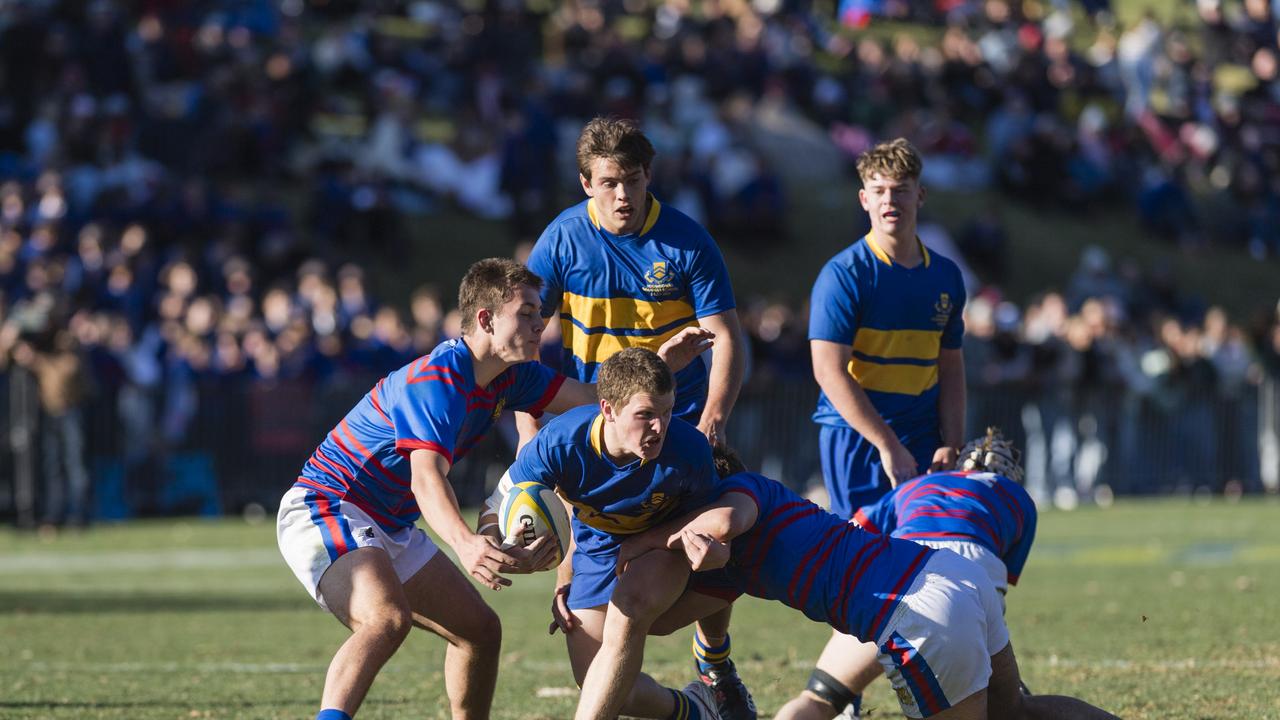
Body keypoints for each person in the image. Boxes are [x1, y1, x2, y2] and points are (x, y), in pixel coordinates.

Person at [275, 259, 710, 720]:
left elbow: (593, 401)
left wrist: (660, 364)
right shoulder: (437, 380)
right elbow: (426, 478)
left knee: (480, 631)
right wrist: (465, 543)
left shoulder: (512, 376)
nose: (539, 322)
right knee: (385, 619)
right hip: (327, 505)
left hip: (387, 524)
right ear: (485, 319)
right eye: (525, 312)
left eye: (539, 312)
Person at [600, 447, 1119, 720]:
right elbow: (657, 620)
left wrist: (638, 543)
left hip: (914, 611)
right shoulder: (732, 563)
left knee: (822, 697)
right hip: (955, 578)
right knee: (1018, 712)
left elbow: (716, 525)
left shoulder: (738, 492)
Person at [522, 115, 752, 717]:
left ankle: (716, 659)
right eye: (607, 182)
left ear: (649, 175)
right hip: (596, 436)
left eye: (632, 180)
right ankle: (691, 708)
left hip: (676, 428)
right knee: (592, 666)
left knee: (702, 545)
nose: (622, 195)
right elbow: (524, 343)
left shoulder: (685, 241)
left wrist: (713, 422)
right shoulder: (562, 241)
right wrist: (532, 429)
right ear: (584, 183)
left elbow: (726, 338)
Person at [481, 347, 749, 720]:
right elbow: (496, 505)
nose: (660, 427)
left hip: (666, 541)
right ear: (607, 408)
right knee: (601, 686)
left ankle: (715, 659)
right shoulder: (560, 444)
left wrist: (670, 546)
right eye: (645, 415)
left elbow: (708, 524)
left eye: (667, 412)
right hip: (599, 548)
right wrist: (500, 548)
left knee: (630, 606)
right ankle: (696, 710)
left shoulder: (687, 449)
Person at [777, 428, 1037, 719]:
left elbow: (853, 531)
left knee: (818, 698)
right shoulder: (1019, 498)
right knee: (1013, 710)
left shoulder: (919, 485)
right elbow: (1000, 577)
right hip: (965, 594)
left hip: (899, 581)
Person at [809, 137, 968, 518]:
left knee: (928, 554)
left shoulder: (946, 276)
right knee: (863, 557)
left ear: (921, 196)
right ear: (864, 199)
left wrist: (954, 442)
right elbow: (828, 371)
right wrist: (887, 444)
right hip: (857, 438)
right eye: (878, 190)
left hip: (922, 433)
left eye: (900, 190)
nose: (889, 201)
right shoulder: (843, 275)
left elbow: (950, 368)